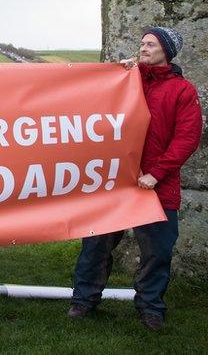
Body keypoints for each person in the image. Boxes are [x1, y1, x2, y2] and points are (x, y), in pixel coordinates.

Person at [67, 26, 202, 330]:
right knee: (96, 242)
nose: (143, 48)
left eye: (150, 44)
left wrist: (157, 173)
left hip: (157, 184)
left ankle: (151, 307)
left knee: (158, 250)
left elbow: (186, 138)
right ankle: (84, 300)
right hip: (116, 179)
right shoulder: (130, 79)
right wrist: (118, 73)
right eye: (141, 43)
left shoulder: (183, 91)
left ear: (166, 50)